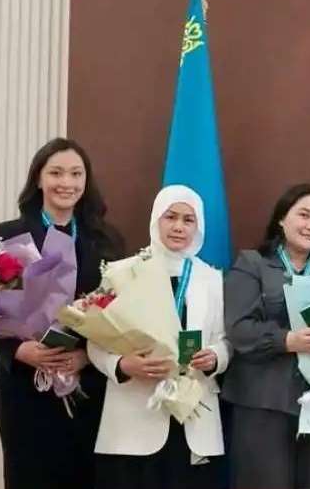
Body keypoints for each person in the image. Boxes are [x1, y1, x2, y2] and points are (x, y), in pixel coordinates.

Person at [0, 137, 124, 489]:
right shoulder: (8, 236)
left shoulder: (107, 240)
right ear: (39, 179)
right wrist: (19, 350)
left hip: (88, 386)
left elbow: (121, 315)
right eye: (56, 173)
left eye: (76, 173)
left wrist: (87, 356)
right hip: (25, 388)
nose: (67, 182)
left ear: (86, 181)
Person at [90, 185, 230, 489]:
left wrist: (216, 357)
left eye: (188, 220)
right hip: (134, 420)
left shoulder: (211, 278)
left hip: (191, 415)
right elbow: (96, 340)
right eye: (171, 217)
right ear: (156, 219)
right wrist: (122, 365)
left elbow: (224, 339)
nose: (179, 226)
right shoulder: (122, 273)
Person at [223, 183, 310, 489]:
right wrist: (287, 341)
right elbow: (239, 330)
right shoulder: (252, 264)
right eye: (304, 215)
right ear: (282, 219)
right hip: (262, 404)